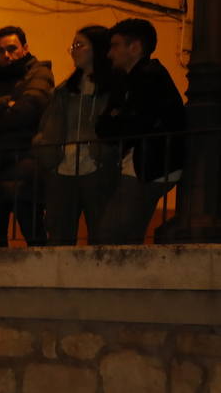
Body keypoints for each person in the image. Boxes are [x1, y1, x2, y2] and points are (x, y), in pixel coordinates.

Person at [96, 17, 188, 244]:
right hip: (146, 165)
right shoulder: (136, 79)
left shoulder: (148, 77)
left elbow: (130, 124)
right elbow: (109, 124)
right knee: (125, 234)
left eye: (115, 45)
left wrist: (115, 121)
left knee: (111, 235)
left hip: (148, 167)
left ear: (134, 47)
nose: (109, 53)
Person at [34, 26, 118, 245]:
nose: (73, 51)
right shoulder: (64, 90)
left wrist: (105, 152)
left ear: (97, 49)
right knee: (59, 233)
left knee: (101, 233)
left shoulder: (112, 88)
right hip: (63, 167)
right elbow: (49, 125)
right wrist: (45, 149)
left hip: (96, 165)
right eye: (72, 46)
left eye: (79, 45)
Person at [0, 26, 55, 246]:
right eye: (0, 51)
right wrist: (4, 105)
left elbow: (28, 110)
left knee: (31, 230)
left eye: (12, 48)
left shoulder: (39, 73)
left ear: (25, 48)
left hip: (25, 160)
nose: (6, 55)